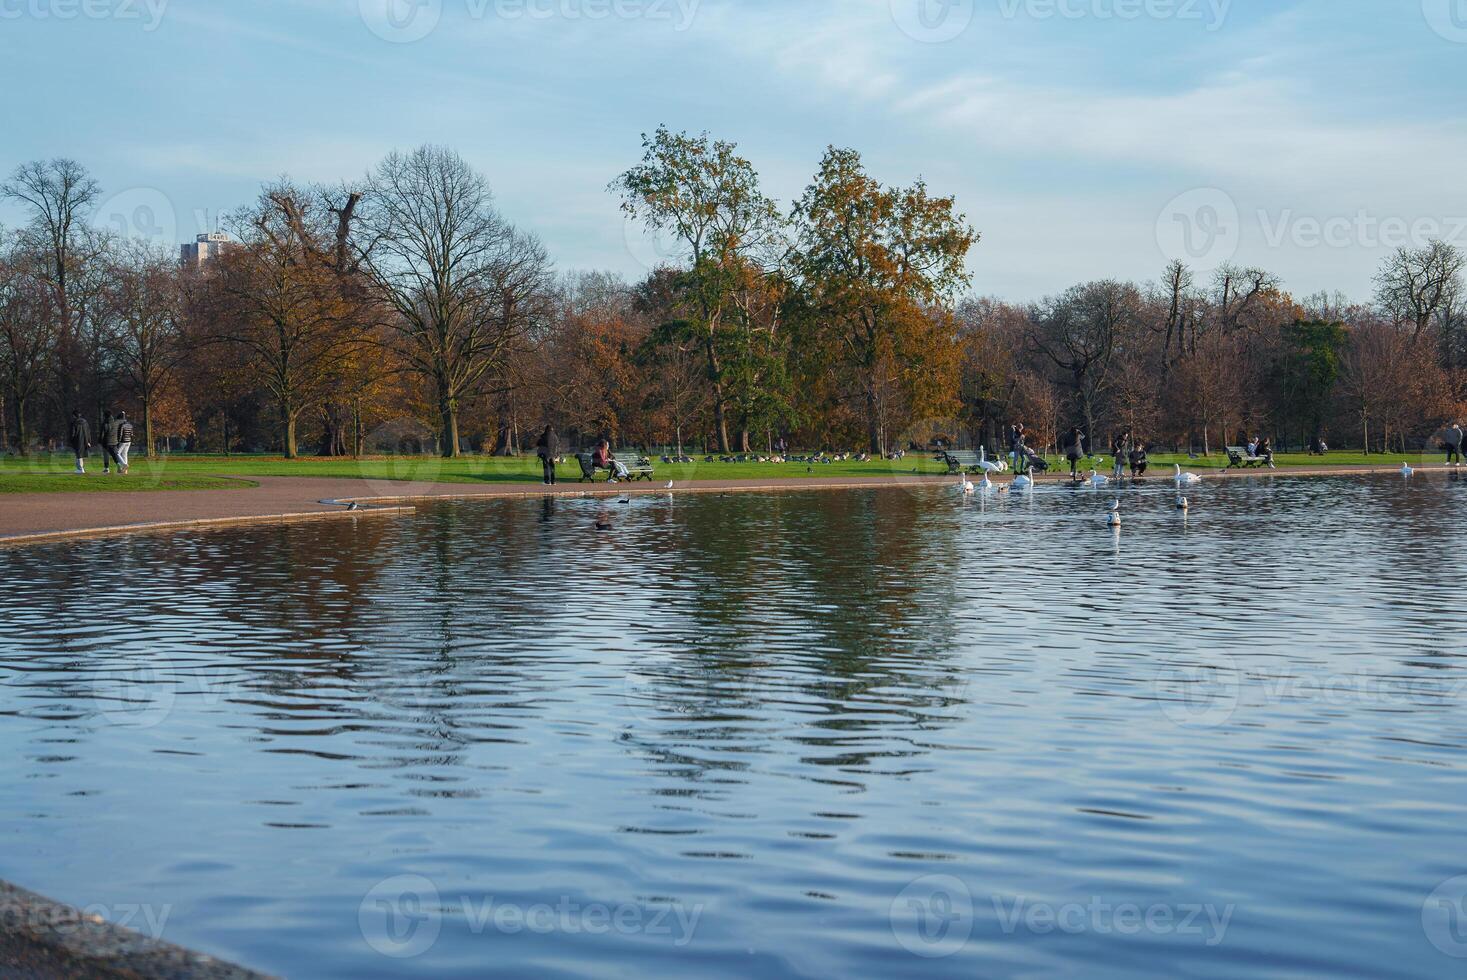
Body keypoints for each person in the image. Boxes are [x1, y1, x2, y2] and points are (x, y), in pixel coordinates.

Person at [68, 409, 90, 474]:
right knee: (81, 455)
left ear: (74, 415)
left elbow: (72, 433)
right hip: (85, 440)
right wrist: (89, 441)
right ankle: (80, 468)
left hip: (77, 440)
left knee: (78, 455)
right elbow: (88, 432)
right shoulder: (85, 422)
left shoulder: (74, 422)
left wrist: (71, 440)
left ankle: (80, 469)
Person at [99, 410, 120, 474]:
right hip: (114, 441)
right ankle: (118, 464)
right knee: (114, 454)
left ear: (105, 416)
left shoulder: (105, 423)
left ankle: (106, 468)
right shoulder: (115, 422)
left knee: (106, 455)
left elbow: (102, 434)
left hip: (106, 442)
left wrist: (100, 440)